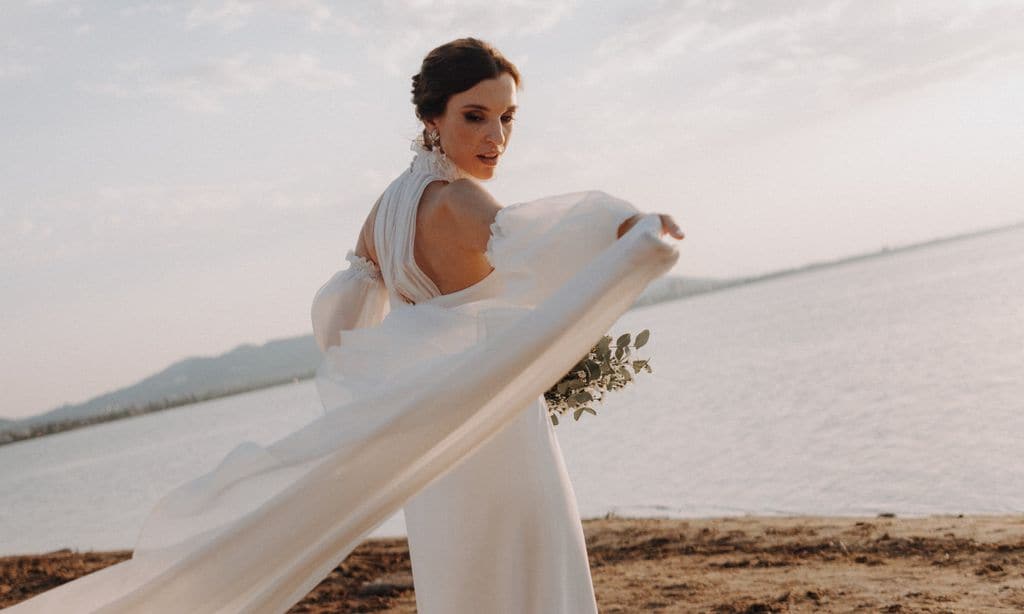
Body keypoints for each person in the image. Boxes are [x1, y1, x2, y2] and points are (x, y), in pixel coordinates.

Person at [3, 37, 682, 614]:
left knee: (464, 586)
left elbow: (344, 328)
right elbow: (545, 240)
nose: (495, 137)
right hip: (498, 433)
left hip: (439, 444)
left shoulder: (384, 212)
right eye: (475, 116)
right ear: (431, 117)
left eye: (507, 118)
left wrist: (425, 364)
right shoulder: (460, 199)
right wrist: (637, 229)